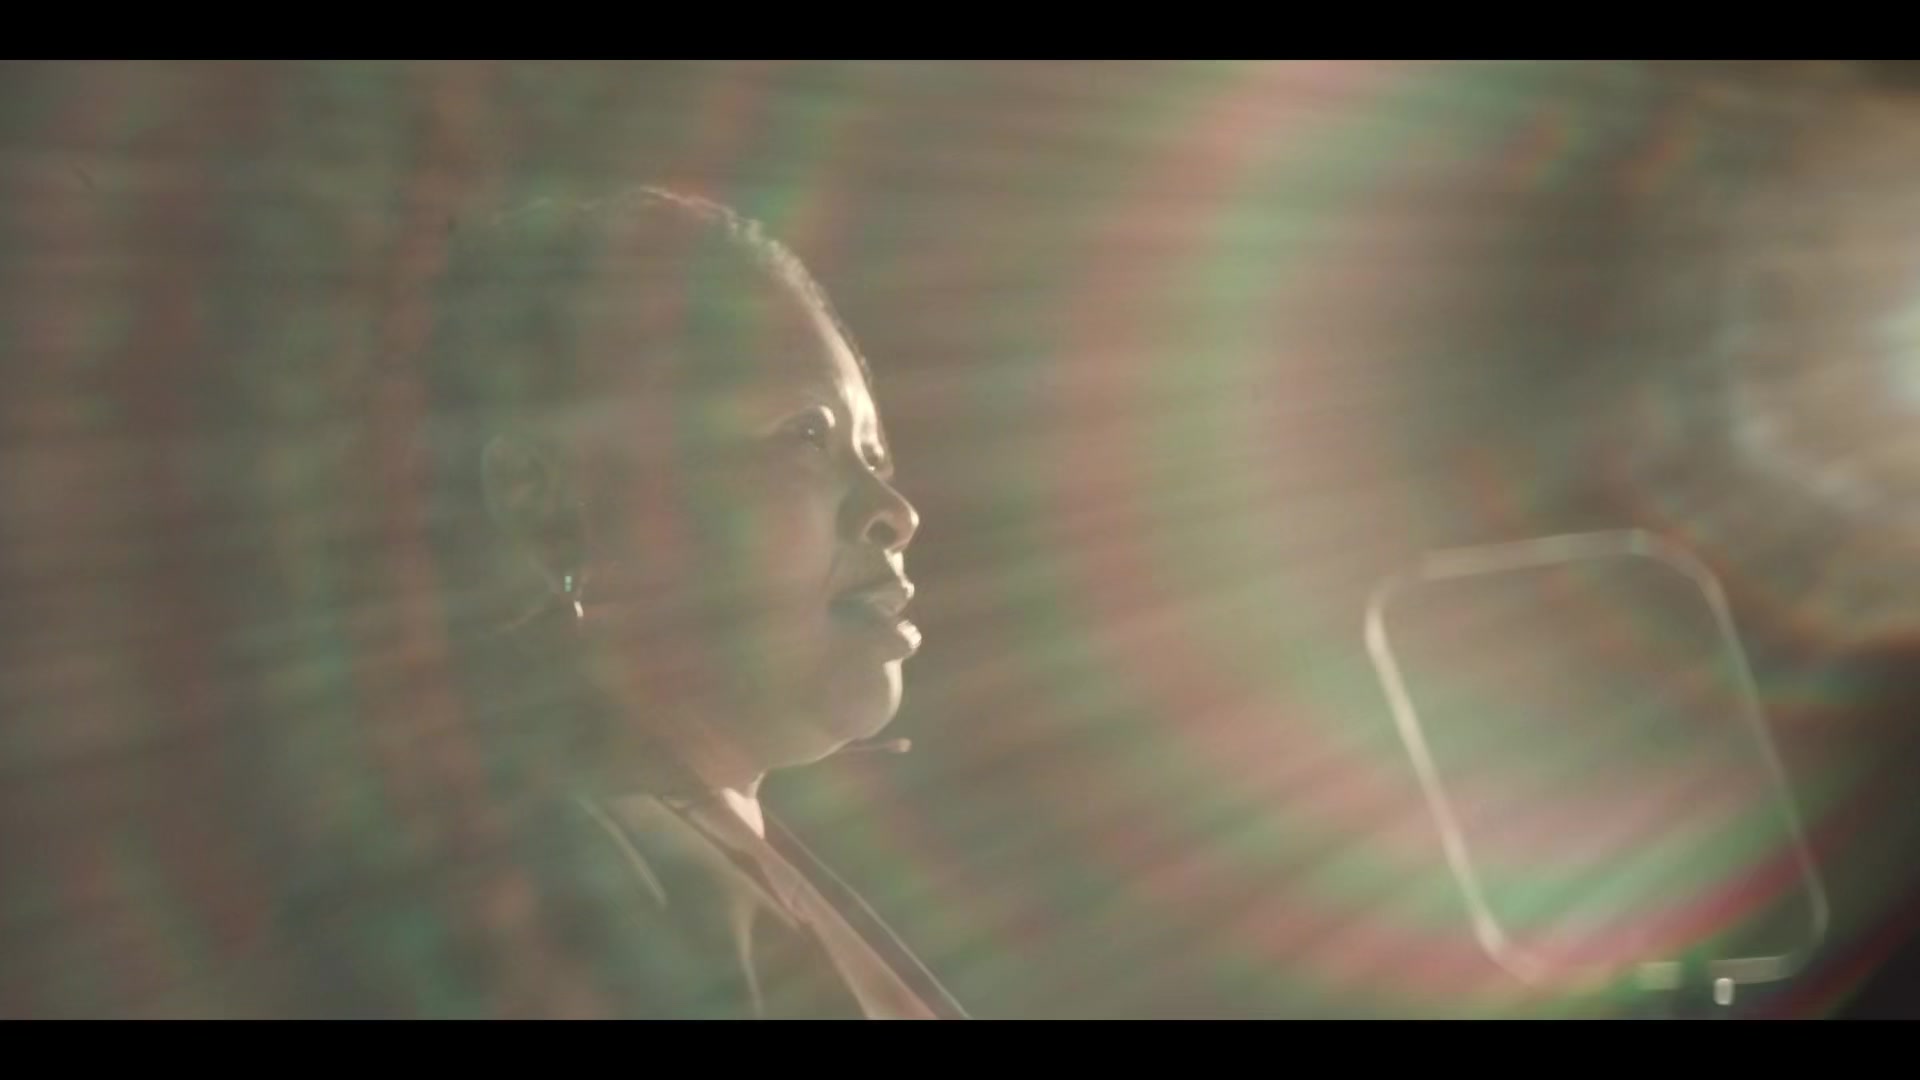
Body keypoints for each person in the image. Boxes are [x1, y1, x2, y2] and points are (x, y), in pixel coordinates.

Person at [257, 186, 967, 1019]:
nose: (894, 510)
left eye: (874, 454)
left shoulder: (687, 860)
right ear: (547, 504)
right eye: (805, 435)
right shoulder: (550, 892)